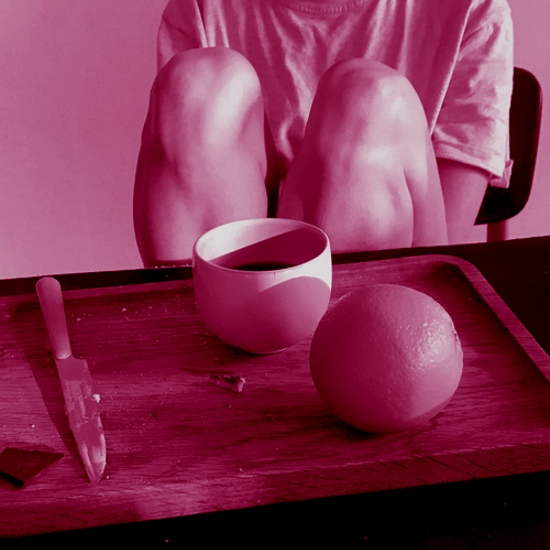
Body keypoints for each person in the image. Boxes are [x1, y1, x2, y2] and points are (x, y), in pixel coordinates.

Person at [133, 0, 513, 268]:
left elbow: (445, 253)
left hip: (392, 305)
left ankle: (351, 340)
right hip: (233, 286)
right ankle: (201, 334)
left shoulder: (471, 8)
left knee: (366, 101)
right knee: (197, 84)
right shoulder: (201, 6)